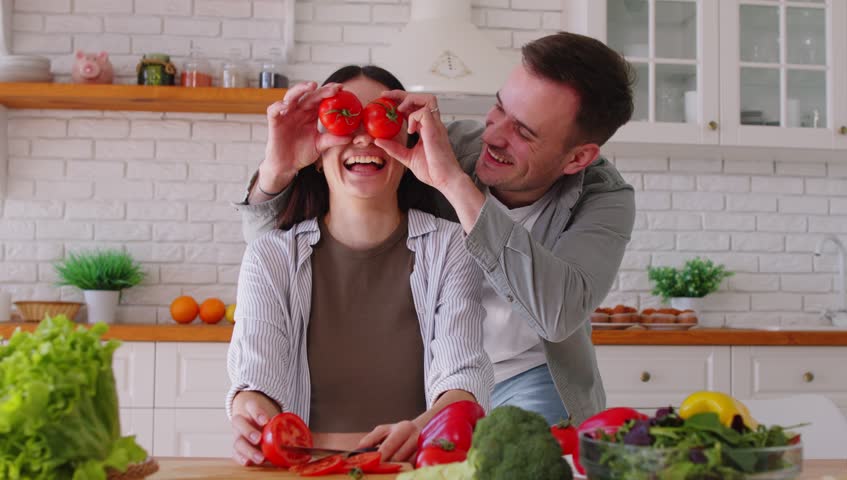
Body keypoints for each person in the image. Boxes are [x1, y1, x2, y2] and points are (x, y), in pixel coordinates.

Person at [237, 32, 636, 426]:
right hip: (431, 370)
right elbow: (276, 251)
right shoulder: (445, 142)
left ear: (578, 157)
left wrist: (453, 183)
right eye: (499, 109)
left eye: (524, 132)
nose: (492, 136)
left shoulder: (604, 198)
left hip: (528, 373)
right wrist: (277, 170)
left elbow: (557, 313)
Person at [227, 65, 494, 467]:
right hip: (306, 468)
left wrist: (424, 428)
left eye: (382, 120)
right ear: (316, 155)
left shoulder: (451, 246)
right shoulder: (271, 256)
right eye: (346, 118)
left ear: (409, 148)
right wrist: (251, 409)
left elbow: (462, 378)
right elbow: (258, 376)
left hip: (413, 469)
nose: (366, 135)